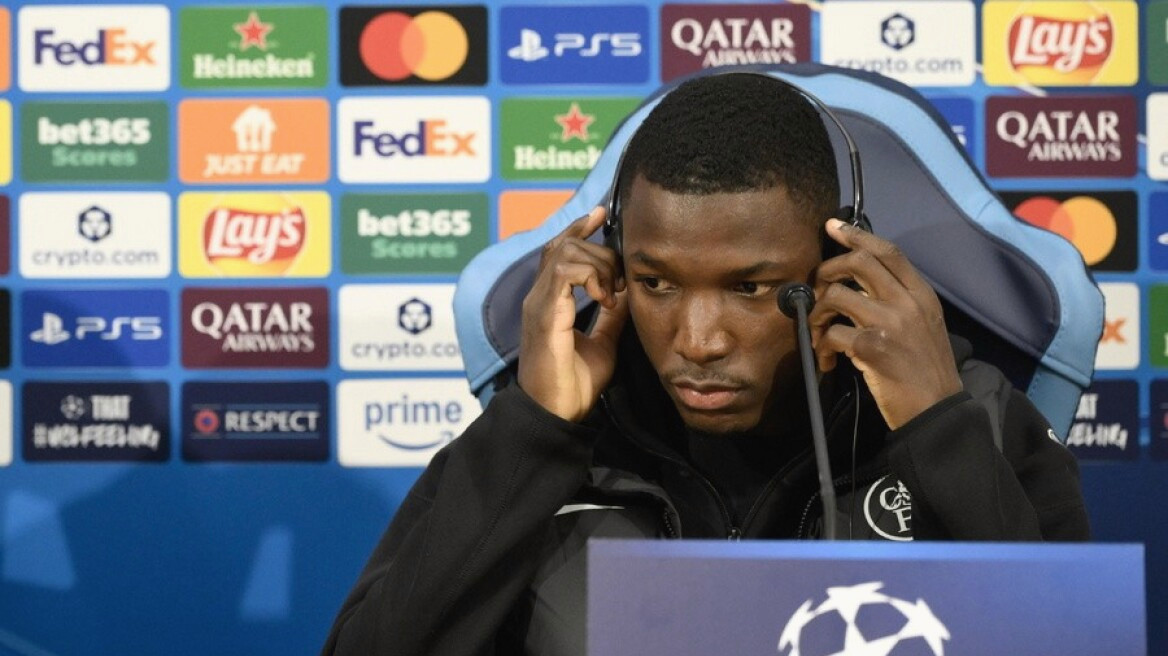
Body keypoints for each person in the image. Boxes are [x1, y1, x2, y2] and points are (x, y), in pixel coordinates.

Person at [322, 73, 1089, 656]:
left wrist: (937, 429)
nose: (697, 341)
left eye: (749, 288)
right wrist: (533, 431)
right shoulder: (538, 442)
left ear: (836, 270)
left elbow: (1071, 640)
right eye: (657, 283)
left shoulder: (975, 416)